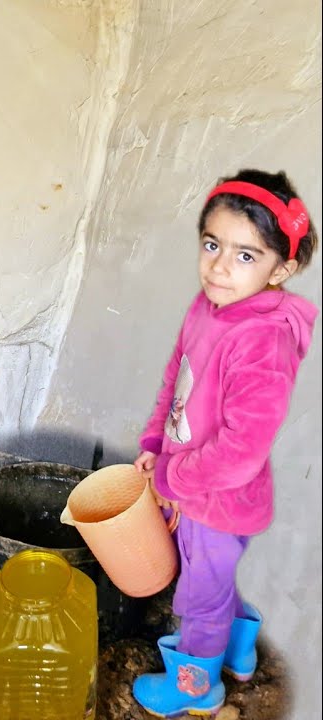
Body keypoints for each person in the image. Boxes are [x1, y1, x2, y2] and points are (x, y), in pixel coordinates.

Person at [131, 170, 317, 717]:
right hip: (195, 487)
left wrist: (170, 478)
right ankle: (238, 652)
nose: (217, 265)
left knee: (201, 597)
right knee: (211, 581)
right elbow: (177, 375)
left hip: (218, 502)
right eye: (212, 245)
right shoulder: (207, 306)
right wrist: (153, 442)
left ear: (282, 268)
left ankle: (196, 688)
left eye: (244, 256)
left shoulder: (263, 341)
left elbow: (241, 452)